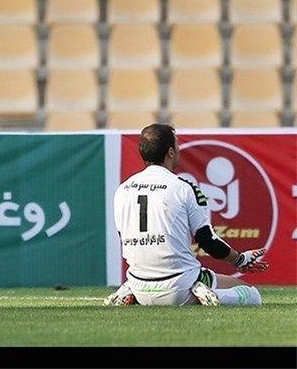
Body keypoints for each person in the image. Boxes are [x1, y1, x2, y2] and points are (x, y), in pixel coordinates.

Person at [105, 123, 268, 307]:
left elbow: (124, 238)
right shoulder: (183, 187)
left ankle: (128, 291)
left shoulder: (122, 189)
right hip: (180, 286)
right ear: (170, 152)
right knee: (252, 295)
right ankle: (210, 294)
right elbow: (208, 241)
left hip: (139, 286)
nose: (179, 148)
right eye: (177, 144)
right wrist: (239, 259)